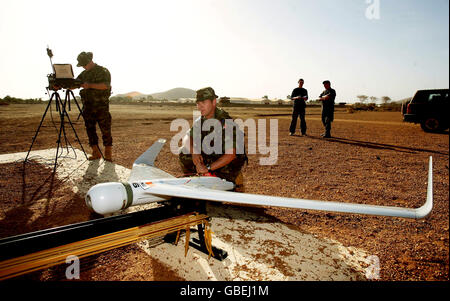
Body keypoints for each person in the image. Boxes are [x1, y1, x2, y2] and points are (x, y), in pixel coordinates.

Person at [179, 87, 247, 190]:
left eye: (203, 103)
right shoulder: (201, 119)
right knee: (184, 151)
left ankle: (235, 182)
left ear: (214, 102)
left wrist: (207, 168)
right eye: (198, 103)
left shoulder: (226, 122)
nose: (199, 107)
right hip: (212, 156)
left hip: (228, 161)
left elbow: (231, 154)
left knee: (218, 196)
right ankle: (202, 178)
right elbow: (187, 138)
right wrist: (195, 153)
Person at [76, 51, 113, 161]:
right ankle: (95, 152)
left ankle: (108, 154)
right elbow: (75, 83)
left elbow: (106, 85)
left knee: (105, 130)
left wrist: (90, 85)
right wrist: (63, 84)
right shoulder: (84, 74)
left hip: (101, 107)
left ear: (89, 61)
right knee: (90, 130)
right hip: (88, 107)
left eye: (84, 64)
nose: (83, 67)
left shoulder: (103, 71)